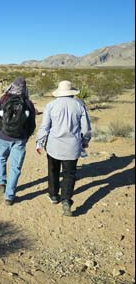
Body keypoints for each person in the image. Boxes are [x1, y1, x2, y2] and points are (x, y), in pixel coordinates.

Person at [35, 80, 91, 217]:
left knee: (53, 170)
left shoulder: (51, 105)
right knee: (69, 173)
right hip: (72, 147)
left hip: (54, 145)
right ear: (71, 92)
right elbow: (86, 128)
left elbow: (45, 127)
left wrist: (39, 142)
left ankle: (54, 195)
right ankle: (66, 200)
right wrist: (85, 141)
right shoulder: (79, 105)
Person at [0, 77, 36, 205]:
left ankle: (1, 182)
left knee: (1, 158)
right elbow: (32, 125)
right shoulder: (28, 103)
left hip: (3, 136)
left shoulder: (4, 99)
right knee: (15, 167)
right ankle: (9, 196)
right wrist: (26, 136)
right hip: (20, 139)